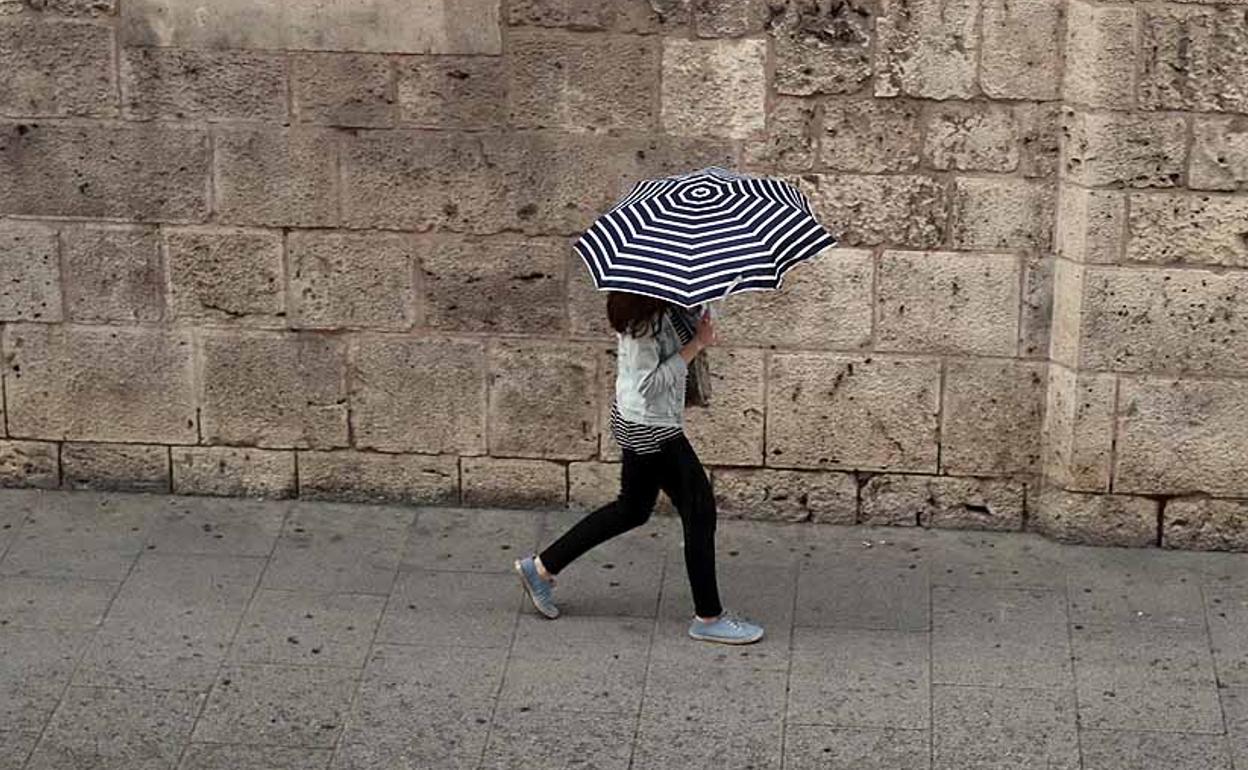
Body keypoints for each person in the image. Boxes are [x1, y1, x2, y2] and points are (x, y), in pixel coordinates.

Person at [513, 291, 764, 645]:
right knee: (700, 509)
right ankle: (708, 617)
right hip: (651, 426)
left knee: (631, 509)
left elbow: (676, 341)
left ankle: (540, 568)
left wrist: (702, 317)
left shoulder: (660, 303)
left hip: (639, 420)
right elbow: (649, 384)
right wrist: (697, 345)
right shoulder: (644, 319)